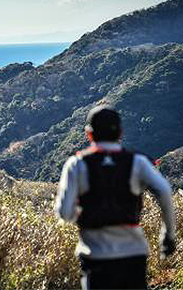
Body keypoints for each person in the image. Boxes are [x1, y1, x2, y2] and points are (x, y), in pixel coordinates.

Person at [55, 105, 176, 290]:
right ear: (120, 132)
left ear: (89, 134)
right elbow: (164, 191)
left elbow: (65, 213)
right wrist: (168, 234)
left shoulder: (76, 165)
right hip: (133, 256)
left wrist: (82, 213)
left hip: (95, 257)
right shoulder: (137, 162)